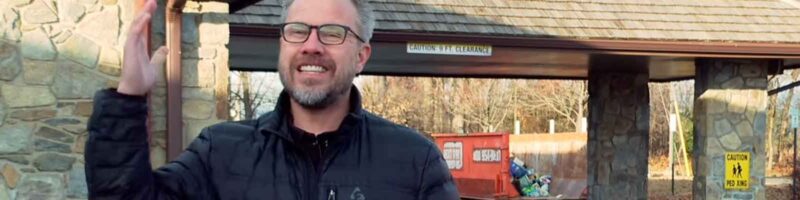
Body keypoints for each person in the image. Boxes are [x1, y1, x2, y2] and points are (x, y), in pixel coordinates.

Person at [84, 0, 460, 199]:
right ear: (282, 45)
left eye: (331, 33)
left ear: (362, 55)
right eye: (297, 31)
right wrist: (128, 98)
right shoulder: (220, 153)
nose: (311, 46)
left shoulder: (414, 160)